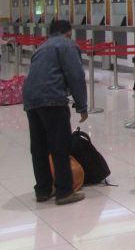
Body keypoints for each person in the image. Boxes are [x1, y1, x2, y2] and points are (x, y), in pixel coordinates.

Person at [22, 20, 87, 205]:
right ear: (68, 33)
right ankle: (64, 191)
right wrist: (82, 106)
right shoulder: (67, 45)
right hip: (52, 98)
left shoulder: (41, 48)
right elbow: (76, 76)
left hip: (30, 99)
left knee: (39, 147)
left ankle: (43, 190)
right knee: (60, 145)